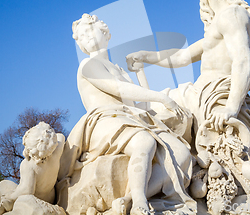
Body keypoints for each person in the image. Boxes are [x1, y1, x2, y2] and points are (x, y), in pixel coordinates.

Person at [126, 0, 250, 193]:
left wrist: (231, 107)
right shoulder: (222, 21)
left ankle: (156, 182)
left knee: (158, 112)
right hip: (204, 91)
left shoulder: (231, 15)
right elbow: (181, 57)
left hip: (215, 93)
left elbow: (243, 61)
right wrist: (146, 55)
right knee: (159, 107)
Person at [58, 14, 195, 215]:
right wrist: (163, 98)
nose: (85, 37)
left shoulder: (119, 69)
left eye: (89, 30)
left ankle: (128, 199)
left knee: (181, 154)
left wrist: (140, 73)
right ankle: (140, 202)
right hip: (104, 118)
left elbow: (142, 107)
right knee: (144, 141)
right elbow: (119, 89)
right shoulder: (87, 65)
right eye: (81, 36)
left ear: (105, 33)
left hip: (133, 118)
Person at [0, 122, 66, 215]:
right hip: (51, 198)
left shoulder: (28, 165)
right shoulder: (56, 152)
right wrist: (45, 132)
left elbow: (27, 190)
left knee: (3, 185)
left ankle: (8, 201)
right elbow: (60, 136)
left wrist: (11, 196)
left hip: (35, 199)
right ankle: (9, 201)